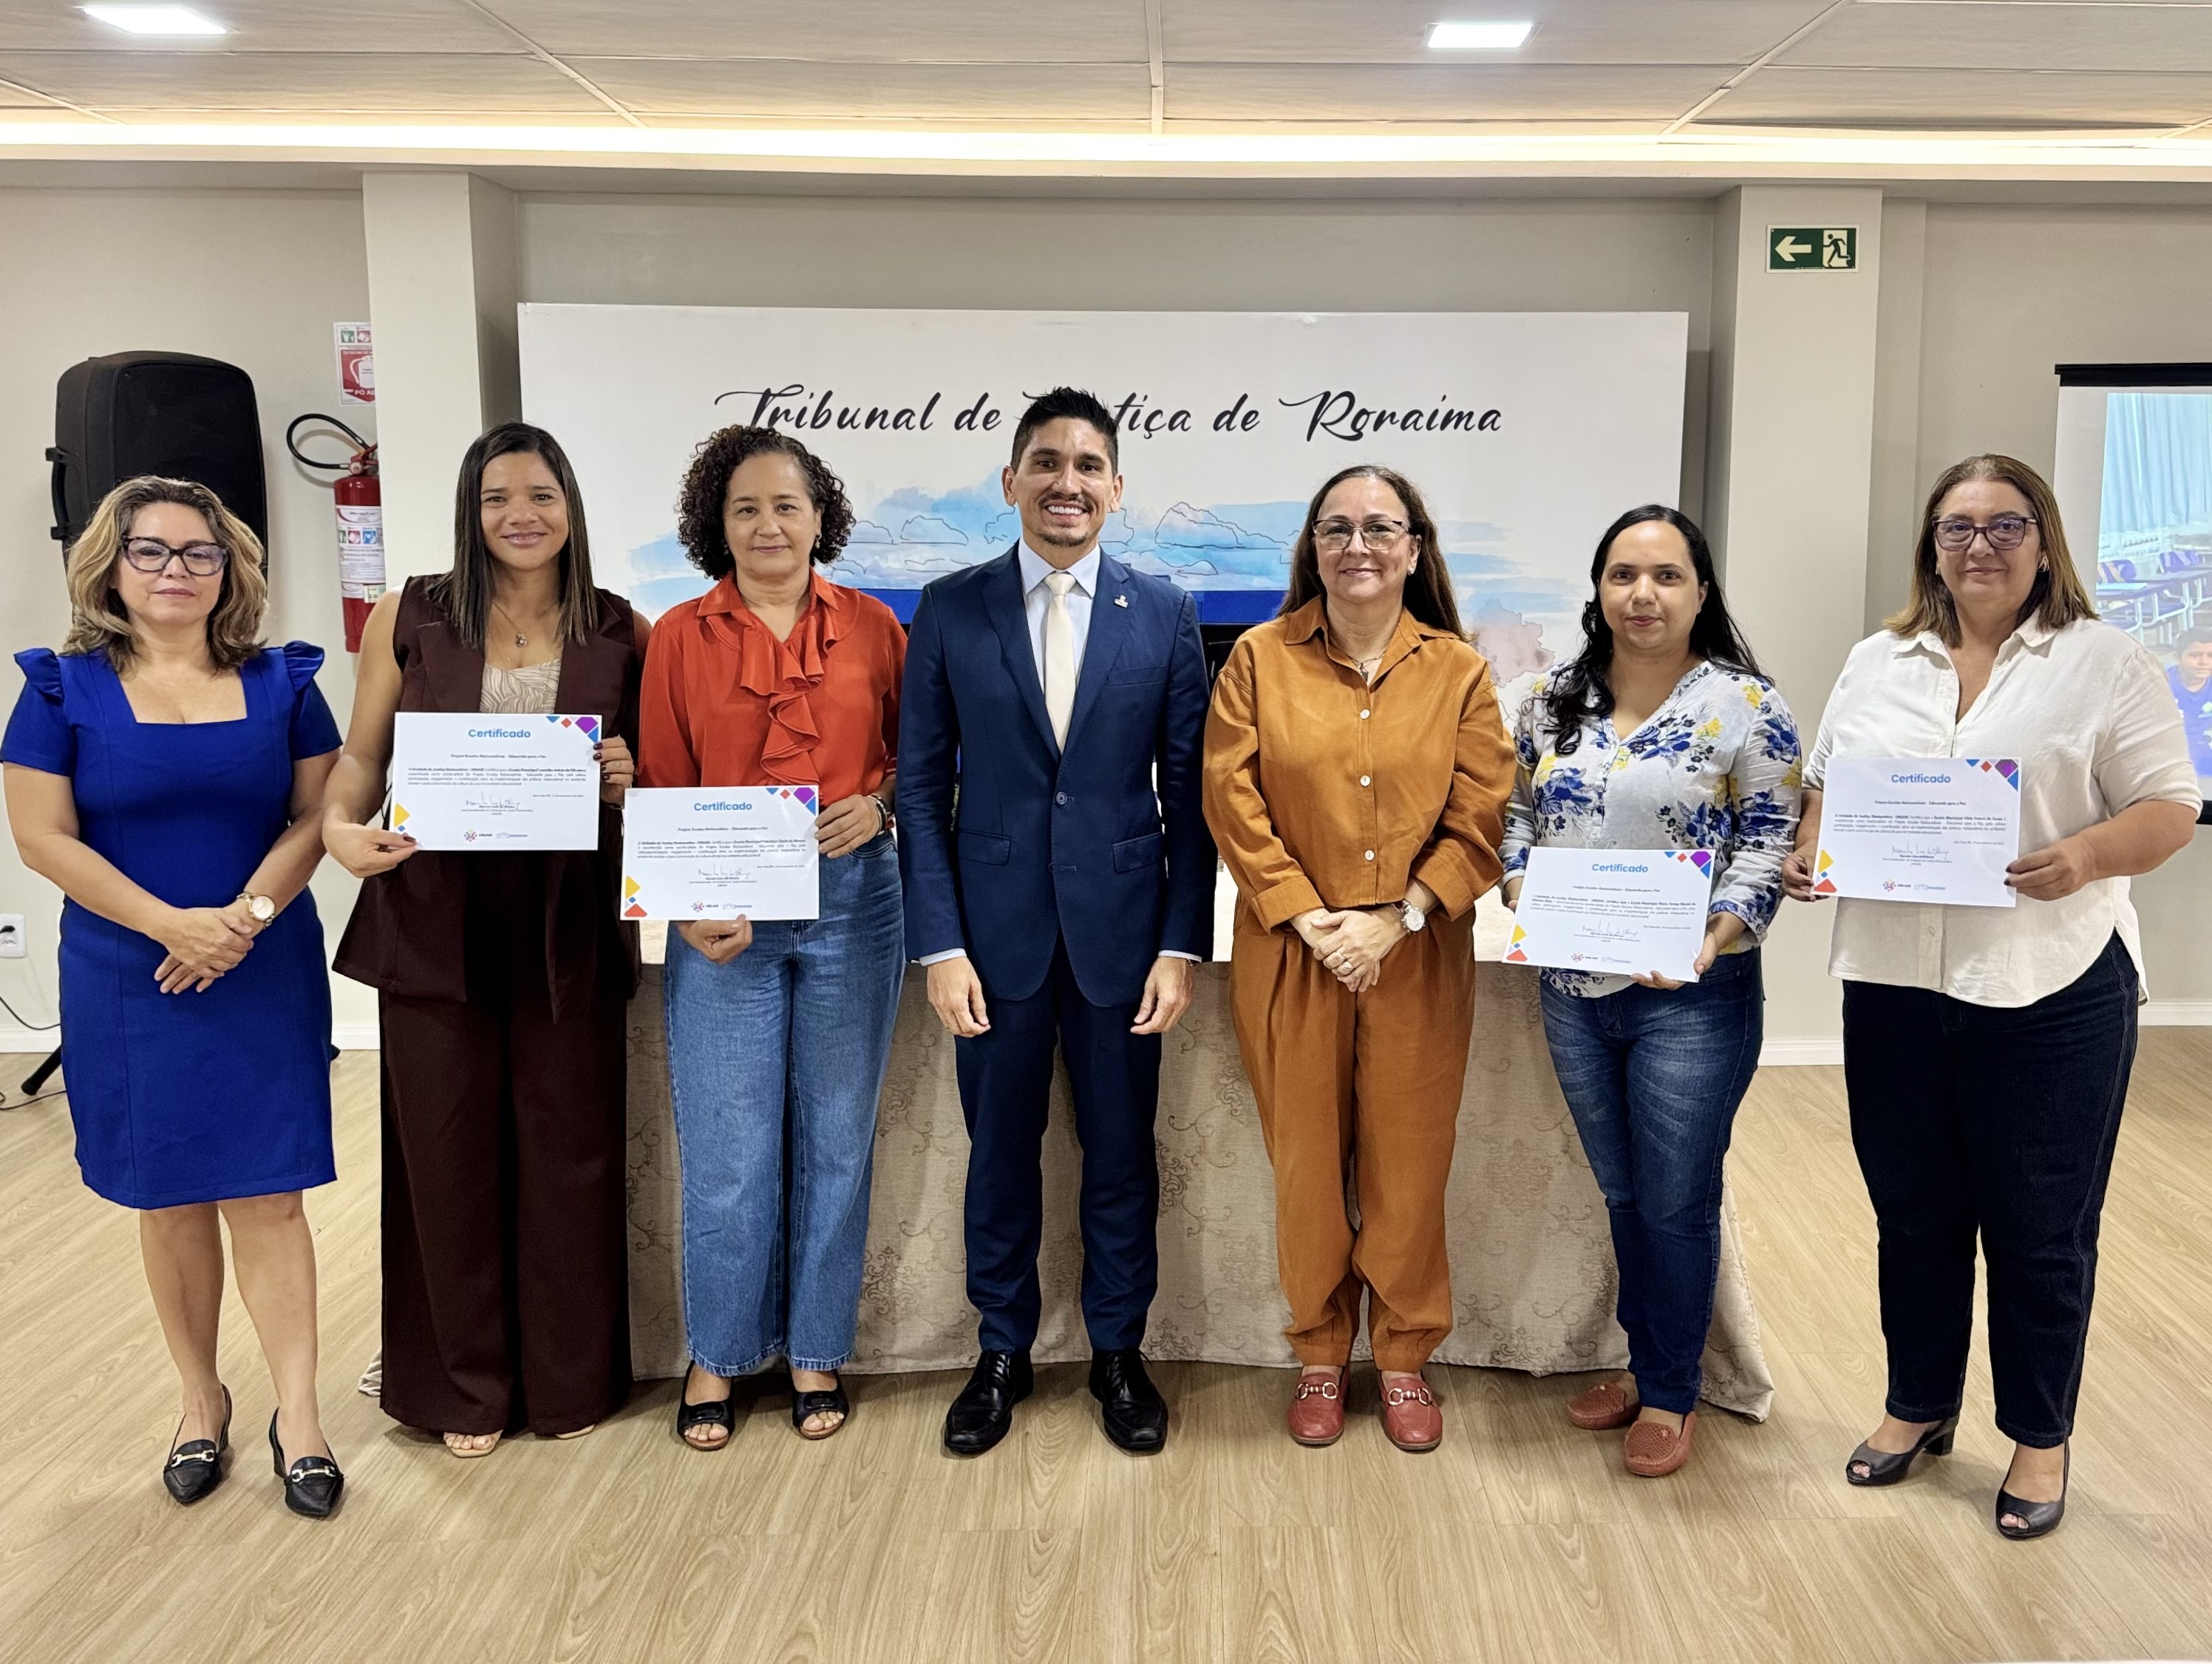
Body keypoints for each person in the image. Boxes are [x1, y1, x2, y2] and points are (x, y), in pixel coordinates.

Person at [1783, 454, 2196, 1540]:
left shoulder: (2104, 661)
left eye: (2004, 525)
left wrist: (2087, 853)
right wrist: (1811, 851)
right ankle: (1917, 1404)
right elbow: (1823, 789)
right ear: (1931, 544)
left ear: (2043, 540)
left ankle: (2039, 1437)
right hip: (1893, 981)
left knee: (2039, 1227)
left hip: (2049, 982)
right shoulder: (1878, 660)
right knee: (1911, 1213)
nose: (1979, 545)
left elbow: (2167, 806)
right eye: (1957, 527)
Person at [2, 476, 346, 1518]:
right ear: (110, 564)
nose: (175, 572)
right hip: (129, 979)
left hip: (259, 963)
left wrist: (238, 921)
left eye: (199, 553)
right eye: (150, 552)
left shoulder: (284, 682)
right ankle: (202, 1401)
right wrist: (171, 925)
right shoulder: (60, 688)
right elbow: (43, 838)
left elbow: (317, 816)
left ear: (230, 569)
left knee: (270, 1195)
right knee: (171, 1196)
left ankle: (302, 1416)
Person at [899, 388, 1214, 1456]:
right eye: (1045, 462)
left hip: (1125, 946)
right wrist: (938, 945)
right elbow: (918, 790)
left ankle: (1120, 1352)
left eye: (1087, 465)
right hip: (991, 947)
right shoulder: (949, 608)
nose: (1065, 482)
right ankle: (1001, 1352)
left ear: (1116, 489)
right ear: (1011, 482)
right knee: (1000, 1158)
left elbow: (1191, 796)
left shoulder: (1164, 613)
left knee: (1122, 1156)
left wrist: (1180, 942)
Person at [324, 422, 647, 1458]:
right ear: (471, 511)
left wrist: (623, 778)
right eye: (497, 496)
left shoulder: (618, 627)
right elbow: (361, 754)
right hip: (432, 923)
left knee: (571, 1155)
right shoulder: (410, 611)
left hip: (567, 927)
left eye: (542, 495)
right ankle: (461, 1388)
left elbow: (645, 769)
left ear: (572, 508)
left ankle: (566, 1382)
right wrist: (338, 826)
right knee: (446, 1155)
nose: (521, 515)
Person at [1202, 464, 1514, 1453]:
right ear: (1312, 548)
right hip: (1292, 953)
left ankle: (1408, 1355)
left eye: (1380, 527)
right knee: (1303, 1164)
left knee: (1408, 1164)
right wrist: (1310, 920)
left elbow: (1482, 813)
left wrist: (1401, 916)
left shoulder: (1458, 671)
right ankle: (1321, 1351)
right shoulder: (1258, 657)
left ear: (1414, 549)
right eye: (1335, 528)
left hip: (1416, 954)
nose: (1358, 545)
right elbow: (1231, 799)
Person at [1499, 505, 1800, 1478]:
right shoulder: (1548, 699)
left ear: (1701, 592)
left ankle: (1672, 1391)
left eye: (1667, 576)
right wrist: (1521, 892)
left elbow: (1767, 843)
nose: (1643, 594)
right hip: (1573, 989)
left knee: (1676, 1201)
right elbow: (1513, 817)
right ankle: (1646, 1364)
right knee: (1624, 1195)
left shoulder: (1747, 705)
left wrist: (1711, 940)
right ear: (1596, 589)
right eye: (1624, 574)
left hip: (1692, 997)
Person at [640, 427, 907, 1449]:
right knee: (727, 1150)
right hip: (726, 920)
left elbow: (919, 766)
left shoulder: (878, 627)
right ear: (718, 522)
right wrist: (688, 904)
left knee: (836, 1141)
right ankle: (718, 1350)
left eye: (786, 506)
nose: (767, 526)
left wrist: (879, 809)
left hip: (856, 903)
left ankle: (815, 1348)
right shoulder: (678, 635)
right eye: (745, 508)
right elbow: (662, 786)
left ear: (819, 517)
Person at [2163, 626, 2212, 780]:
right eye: (2195, 655)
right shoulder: (2161, 683)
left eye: (2210, 655)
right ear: (2177, 658)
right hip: (2166, 751)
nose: (2204, 662)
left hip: (2201, 747)